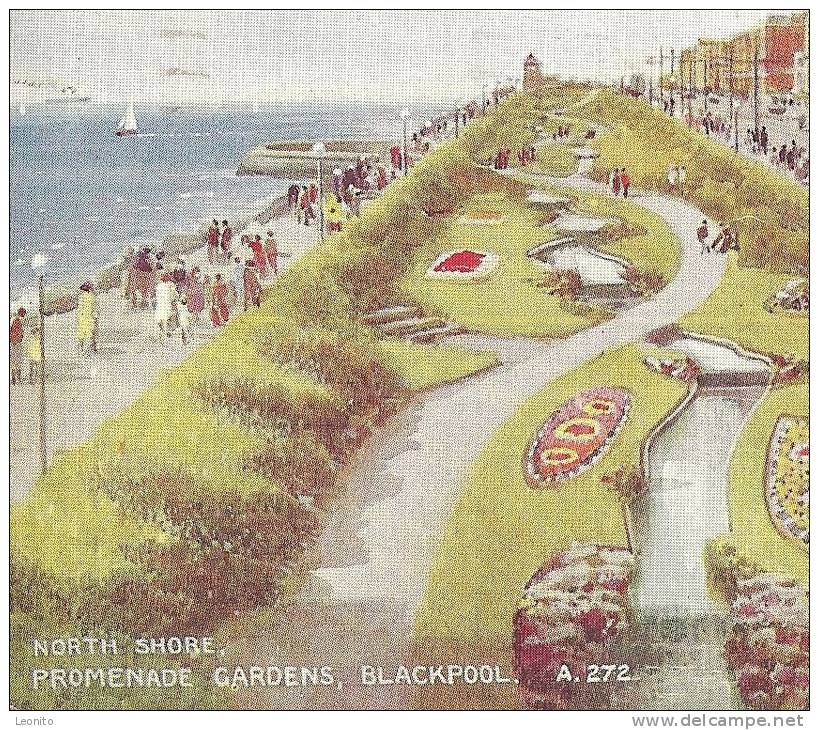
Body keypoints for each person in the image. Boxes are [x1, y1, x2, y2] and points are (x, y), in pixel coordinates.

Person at [77, 281, 98, 354]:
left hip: (84, 317)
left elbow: (80, 308)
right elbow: (95, 308)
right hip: (90, 317)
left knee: (82, 333)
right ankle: (92, 348)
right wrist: (95, 317)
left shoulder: (81, 297)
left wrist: (79, 317)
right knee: (91, 333)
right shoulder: (93, 296)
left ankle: (82, 349)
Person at [154, 273, 177, 338]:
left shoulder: (158, 286)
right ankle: (165, 331)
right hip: (167, 305)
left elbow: (156, 295)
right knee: (167, 318)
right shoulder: (169, 287)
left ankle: (163, 331)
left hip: (159, 305)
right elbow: (172, 297)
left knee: (160, 319)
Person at [10, 307, 25, 385]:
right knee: (17, 361)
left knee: (14, 362)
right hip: (16, 343)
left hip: (14, 343)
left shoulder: (13, 319)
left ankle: (14, 379)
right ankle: (16, 379)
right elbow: (18, 332)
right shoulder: (17, 320)